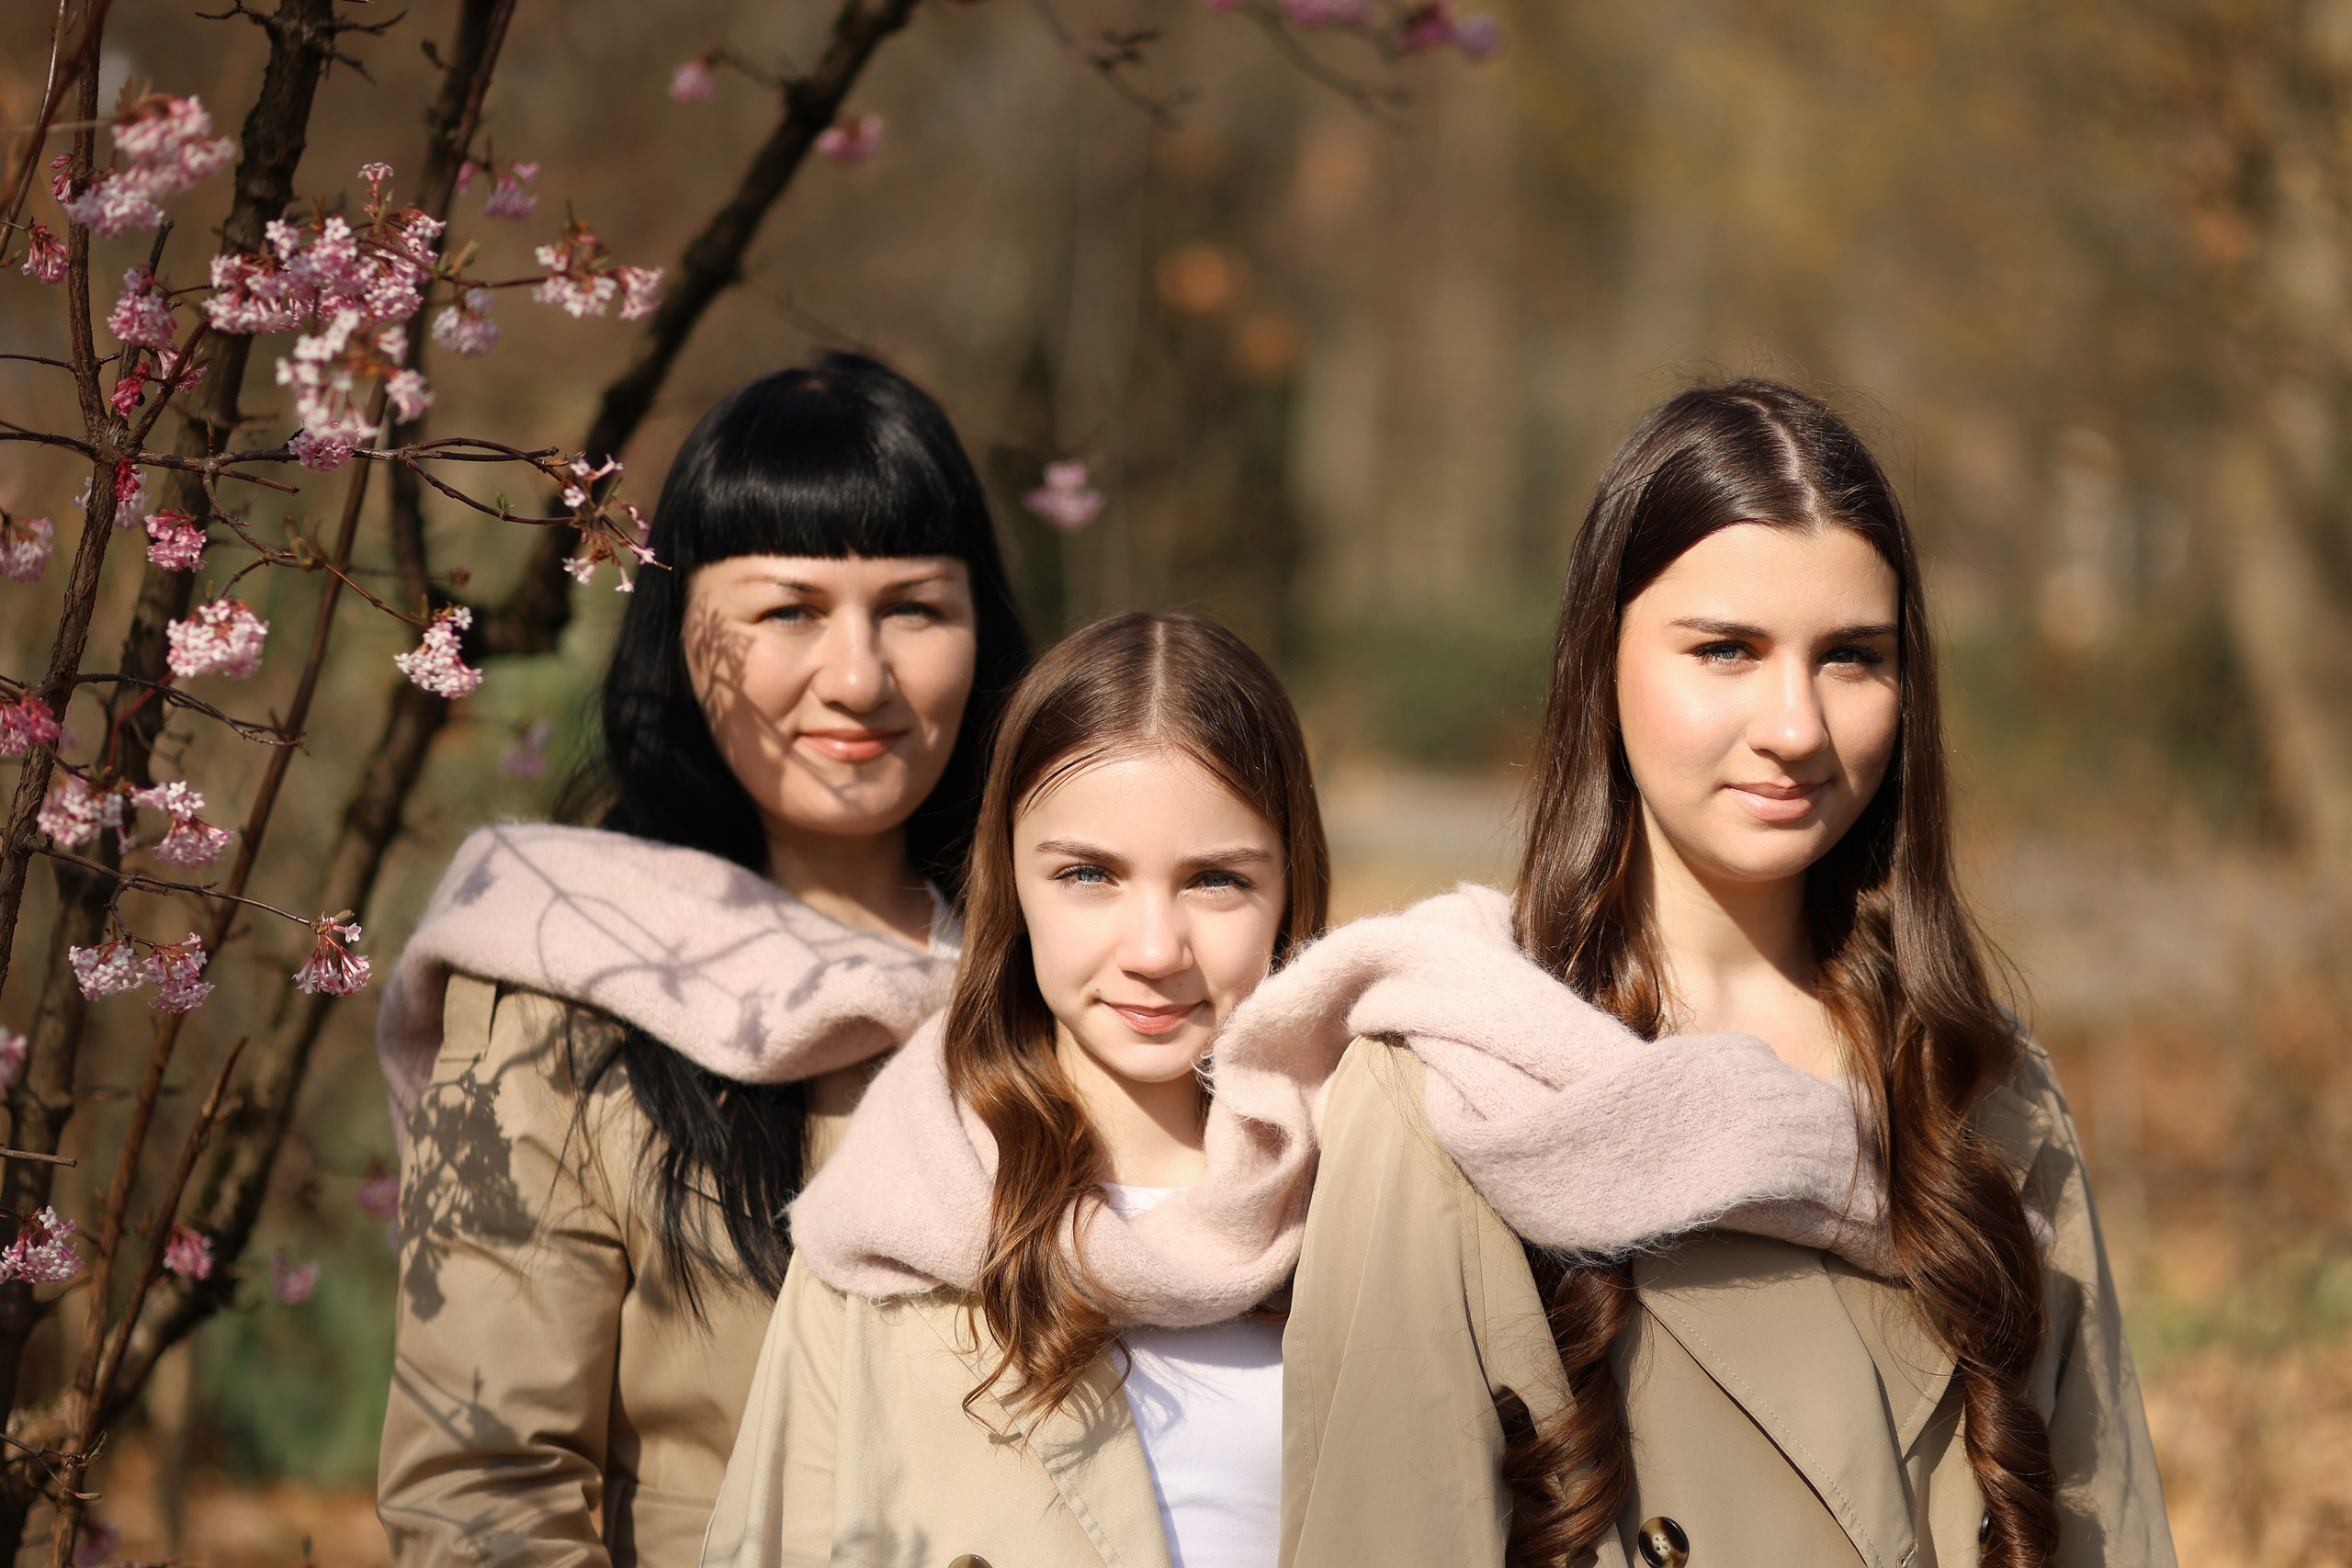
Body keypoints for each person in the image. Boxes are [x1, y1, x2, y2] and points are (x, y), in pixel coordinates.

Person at [1279, 380, 2177, 1568]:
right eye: (1725, 650)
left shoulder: (1987, 1090)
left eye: (1851, 657)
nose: (1794, 726)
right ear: (1601, 660)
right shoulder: (1446, 1089)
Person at [373, 352, 1031, 1568]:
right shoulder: (559, 981)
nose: (858, 677)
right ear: (681, 636)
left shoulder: (1077, 973)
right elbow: (482, 1492)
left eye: (914, 608)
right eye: (789, 610)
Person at [701, 611, 1330, 1568]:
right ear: (1011, 880)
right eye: (1088, 874)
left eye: (1214, 880)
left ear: (1288, 884)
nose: (1154, 949)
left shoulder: (1376, 1188)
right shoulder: (890, 1219)